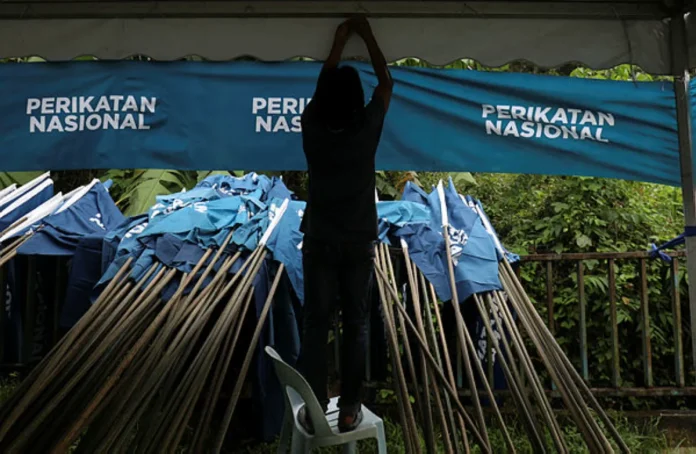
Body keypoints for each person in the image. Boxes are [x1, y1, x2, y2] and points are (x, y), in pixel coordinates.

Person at [296, 17, 393, 434]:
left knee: (316, 324)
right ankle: (350, 408)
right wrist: (367, 36)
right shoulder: (365, 131)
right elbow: (385, 85)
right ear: (356, 100)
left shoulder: (313, 129)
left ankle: (316, 406)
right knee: (356, 324)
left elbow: (323, 88)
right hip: (357, 242)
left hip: (320, 238)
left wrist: (337, 43)